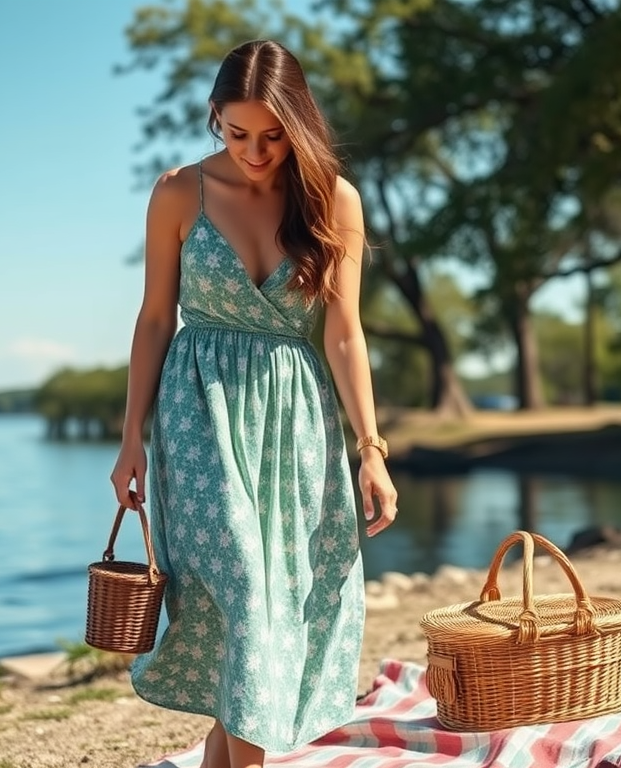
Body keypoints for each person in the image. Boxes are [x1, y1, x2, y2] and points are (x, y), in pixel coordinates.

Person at [109, 39, 398, 768]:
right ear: (214, 118)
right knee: (239, 590)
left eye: (273, 135)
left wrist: (371, 448)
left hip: (297, 424)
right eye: (237, 134)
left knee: (271, 614)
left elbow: (343, 334)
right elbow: (153, 320)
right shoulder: (179, 192)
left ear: (298, 124)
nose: (256, 151)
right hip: (198, 414)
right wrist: (129, 439)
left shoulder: (335, 200)